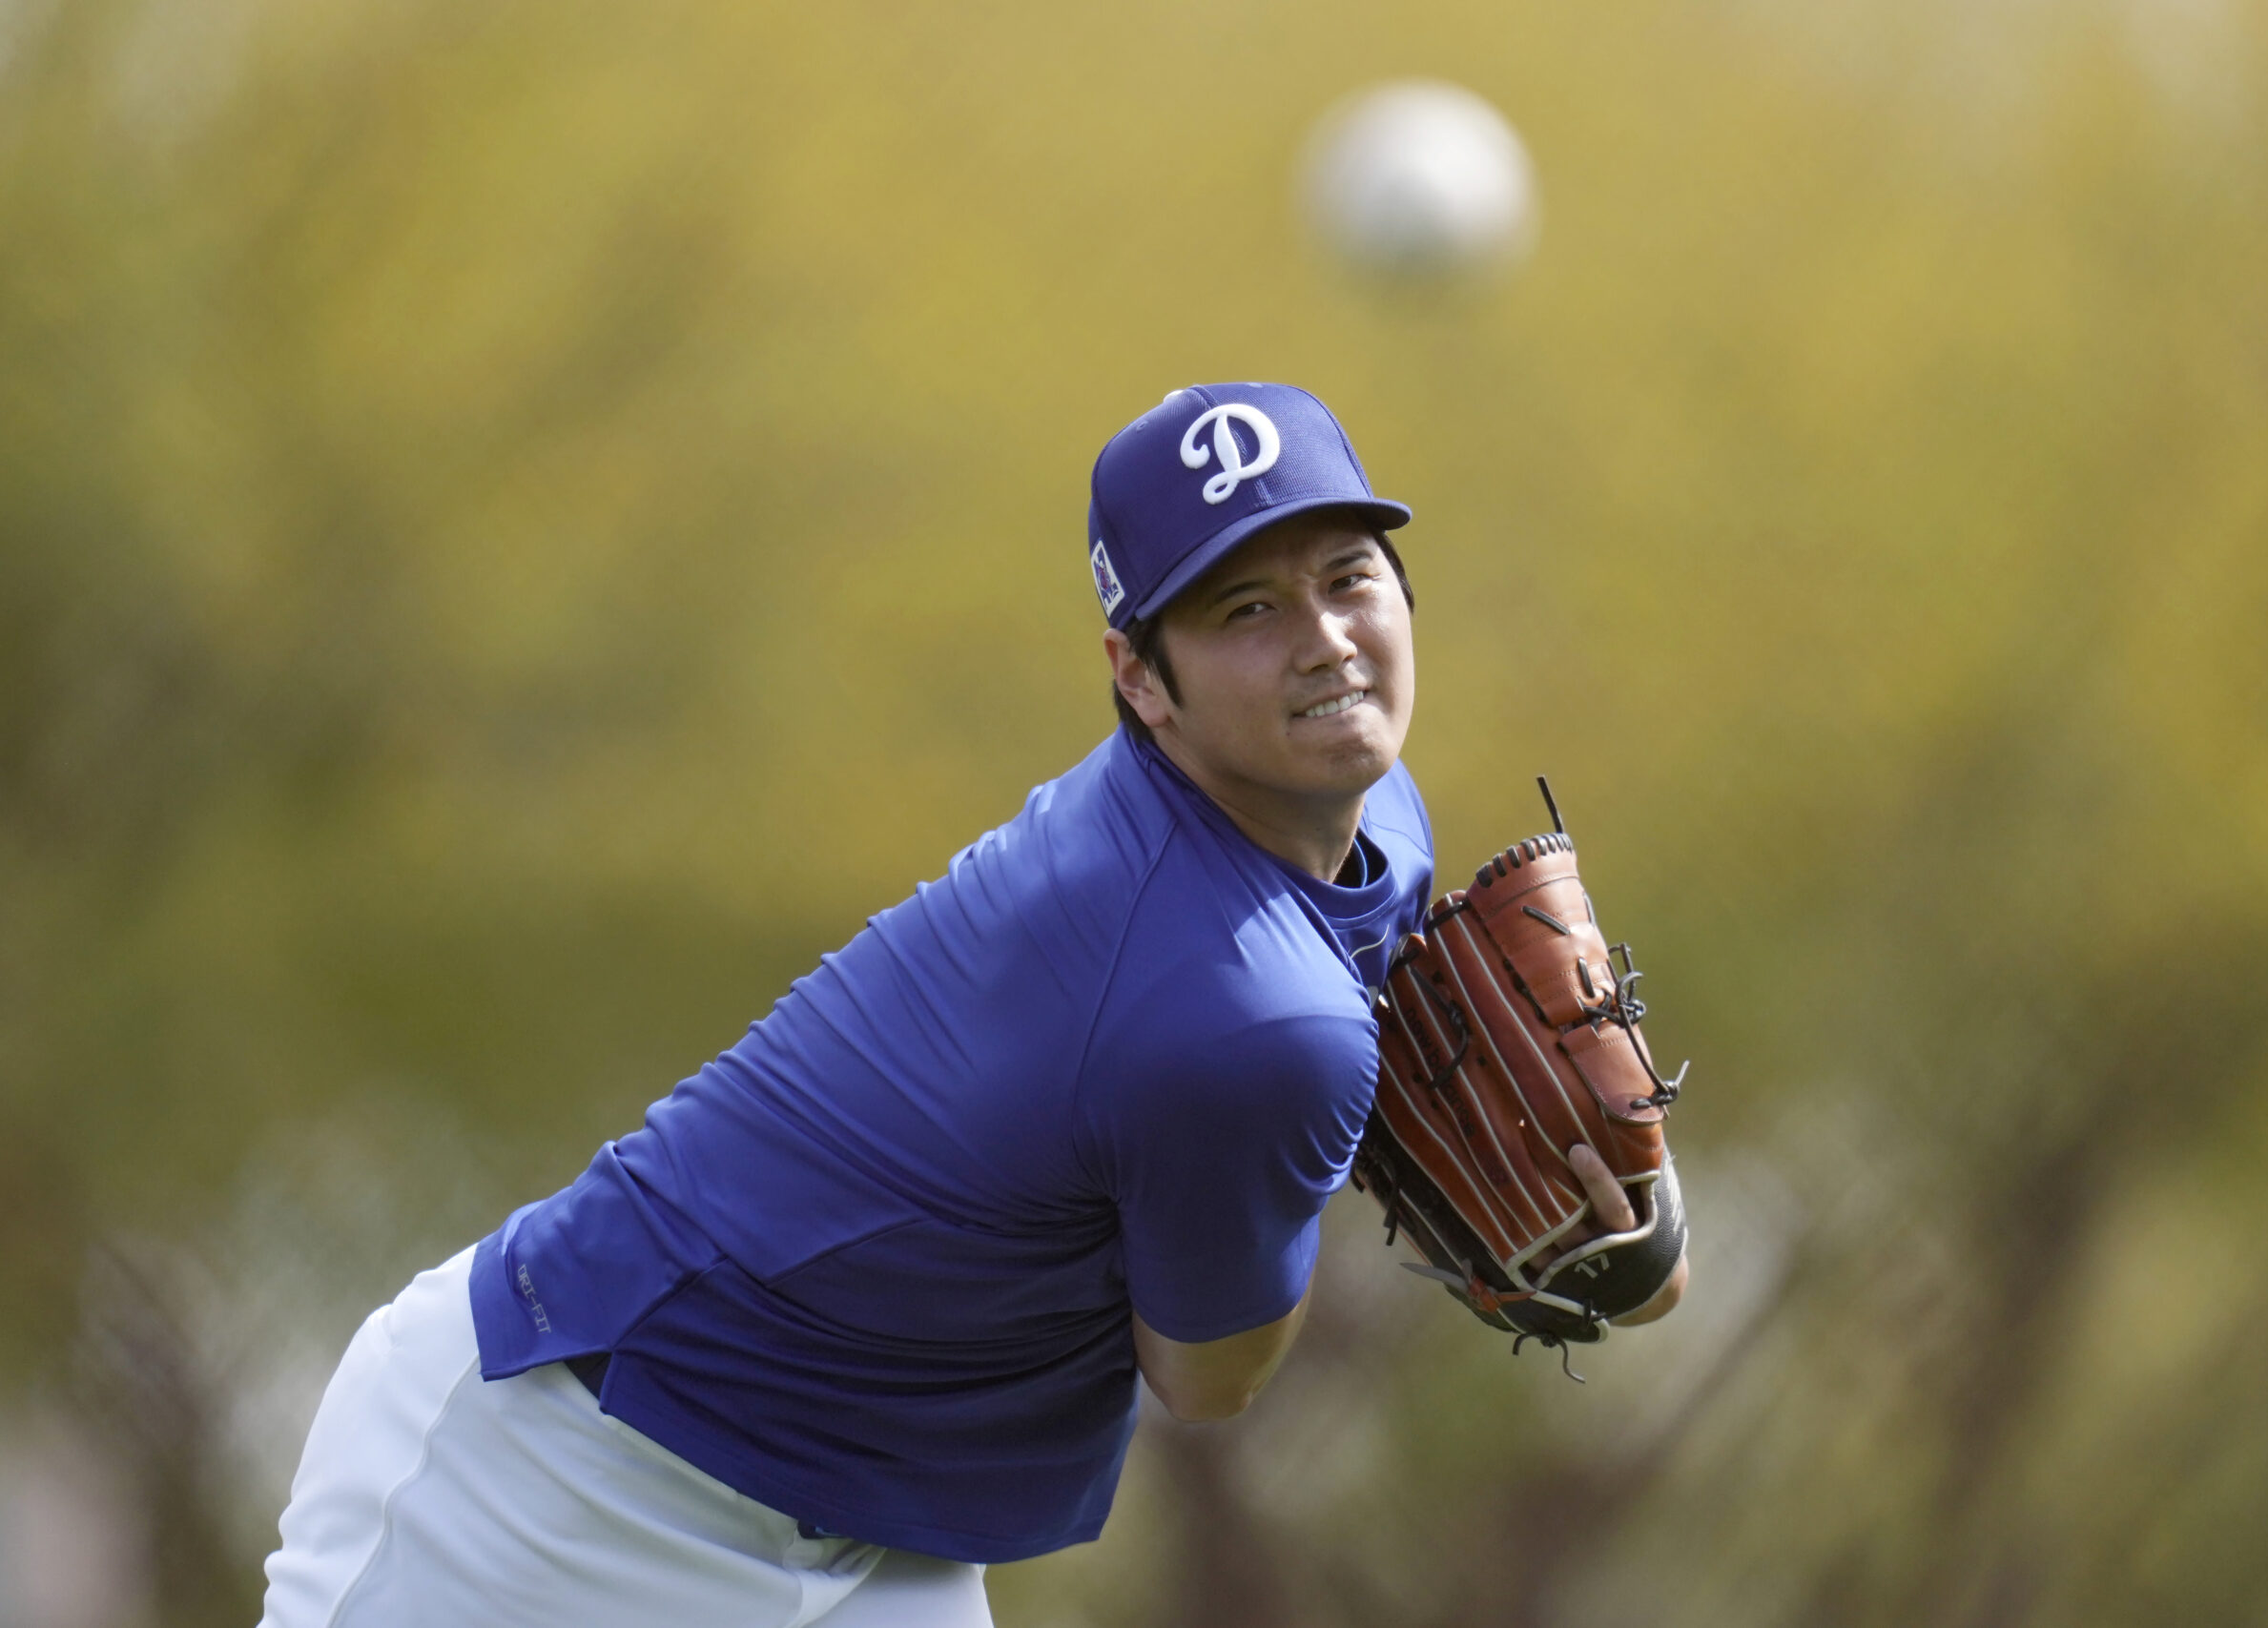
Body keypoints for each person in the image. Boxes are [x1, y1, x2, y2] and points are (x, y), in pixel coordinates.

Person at [257, 382, 1676, 1628]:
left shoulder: (1367, 828)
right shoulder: (1252, 1024)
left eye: (1348, 576)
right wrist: (1344, 1154)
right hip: (560, 1476)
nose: (1324, 641)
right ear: (1142, 678)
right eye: (1245, 607)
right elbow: (1212, 1380)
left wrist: (1626, 1241)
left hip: (871, 1536)